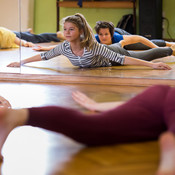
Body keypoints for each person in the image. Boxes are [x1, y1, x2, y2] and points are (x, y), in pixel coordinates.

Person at [1, 85, 175, 175]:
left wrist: (98, 106)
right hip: (164, 103)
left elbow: (152, 101)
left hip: (158, 100)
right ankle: (170, 160)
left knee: (93, 129)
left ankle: (16, 116)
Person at [6, 13, 171, 70]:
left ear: (81, 32)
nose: (67, 33)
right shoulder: (64, 47)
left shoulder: (93, 46)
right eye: (65, 30)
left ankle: (170, 49)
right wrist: (20, 62)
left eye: (71, 29)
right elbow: (44, 56)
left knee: (153, 53)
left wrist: (152, 65)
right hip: (110, 58)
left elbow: (122, 59)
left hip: (115, 54)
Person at [94, 21, 175, 50]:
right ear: (97, 34)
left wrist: (158, 49)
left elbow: (140, 38)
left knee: (142, 45)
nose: (103, 37)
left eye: (106, 34)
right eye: (101, 34)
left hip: (121, 33)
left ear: (110, 34)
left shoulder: (118, 38)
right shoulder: (94, 39)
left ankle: (169, 43)